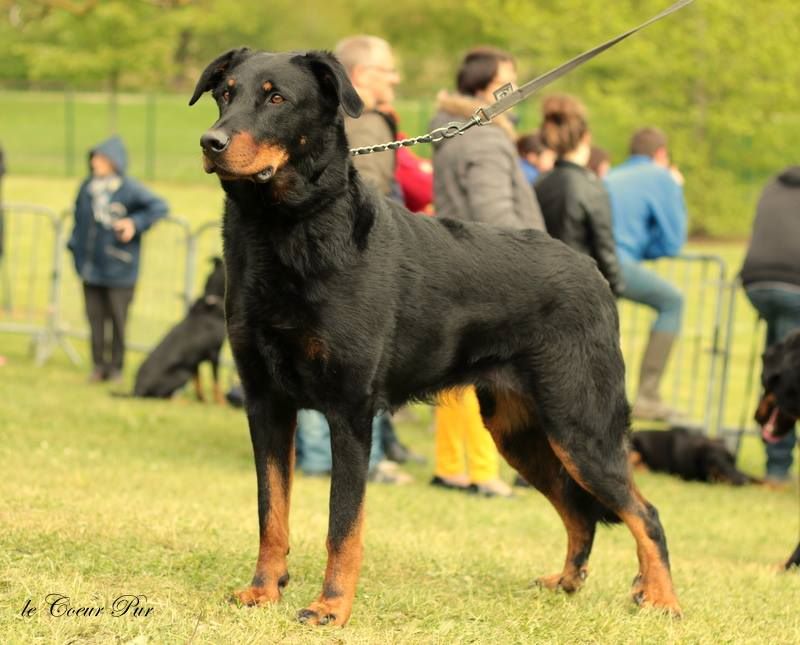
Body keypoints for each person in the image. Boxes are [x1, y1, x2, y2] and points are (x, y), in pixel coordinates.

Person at [289, 35, 417, 483]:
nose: (396, 78)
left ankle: (350, 455)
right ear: (360, 77)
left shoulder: (351, 119)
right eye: (388, 70)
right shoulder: (363, 124)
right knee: (346, 368)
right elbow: (360, 197)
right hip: (351, 267)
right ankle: (327, 458)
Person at [427, 47, 545, 497]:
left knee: (454, 370)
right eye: (507, 81)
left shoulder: (450, 130)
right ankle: (483, 472)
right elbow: (496, 212)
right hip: (490, 269)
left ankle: (450, 466)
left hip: (453, 259)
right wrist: (531, 259)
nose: (515, 91)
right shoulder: (486, 137)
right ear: (481, 87)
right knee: (488, 372)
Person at [67, 136, 168, 382]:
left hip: (120, 269)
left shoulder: (128, 189)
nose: (95, 163)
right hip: (91, 268)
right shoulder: (87, 188)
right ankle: (98, 366)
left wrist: (134, 223)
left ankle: (116, 368)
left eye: (101, 158)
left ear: (114, 162)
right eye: (94, 158)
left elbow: (159, 207)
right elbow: (78, 219)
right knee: (95, 320)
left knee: (118, 321)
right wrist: (73, 246)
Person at [604, 127, 687, 421]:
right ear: (661, 154)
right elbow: (673, 241)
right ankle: (648, 396)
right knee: (672, 302)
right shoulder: (662, 177)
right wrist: (675, 186)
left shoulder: (610, 175)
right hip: (621, 263)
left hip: (592, 262)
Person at [740, 165, 800, 483]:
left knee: (778, 364)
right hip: (795, 283)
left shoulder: (774, 183)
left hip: (757, 281)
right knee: (789, 376)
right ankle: (777, 466)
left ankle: (774, 454)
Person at [533, 94, 624, 296]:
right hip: (580, 291)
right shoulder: (591, 187)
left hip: (540, 288)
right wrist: (617, 287)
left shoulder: (538, 183)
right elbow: (605, 247)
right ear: (586, 137)